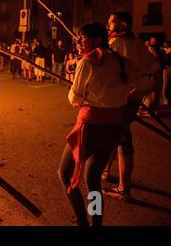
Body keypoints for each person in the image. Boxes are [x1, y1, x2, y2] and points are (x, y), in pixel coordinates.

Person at [58, 23, 132, 226]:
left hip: (91, 128)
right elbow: (139, 83)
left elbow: (75, 99)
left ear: (97, 40)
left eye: (83, 39)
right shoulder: (122, 61)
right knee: (92, 178)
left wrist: (74, 86)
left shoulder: (87, 62)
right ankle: (96, 223)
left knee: (65, 174)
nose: (79, 43)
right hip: (114, 128)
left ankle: (82, 221)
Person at [103, 11, 160, 202]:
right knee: (115, 132)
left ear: (123, 25)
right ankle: (106, 169)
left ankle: (123, 189)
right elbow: (155, 67)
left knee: (121, 137)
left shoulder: (115, 44)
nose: (108, 24)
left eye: (112, 22)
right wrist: (155, 94)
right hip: (135, 95)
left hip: (124, 97)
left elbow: (105, 72)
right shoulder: (137, 42)